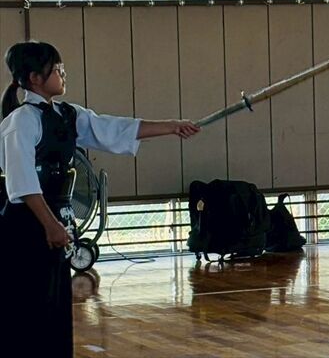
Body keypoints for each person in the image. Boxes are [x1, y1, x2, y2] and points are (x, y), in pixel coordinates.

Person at [0, 41, 200, 357]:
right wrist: (51, 226)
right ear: (35, 78)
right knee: (28, 305)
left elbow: (112, 128)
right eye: (56, 69)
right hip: (26, 224)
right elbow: (22, 183)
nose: (63, 73)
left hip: (55, 219)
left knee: (54, 304)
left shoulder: (66, 115)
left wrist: (172, 127)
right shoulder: (21, 121)